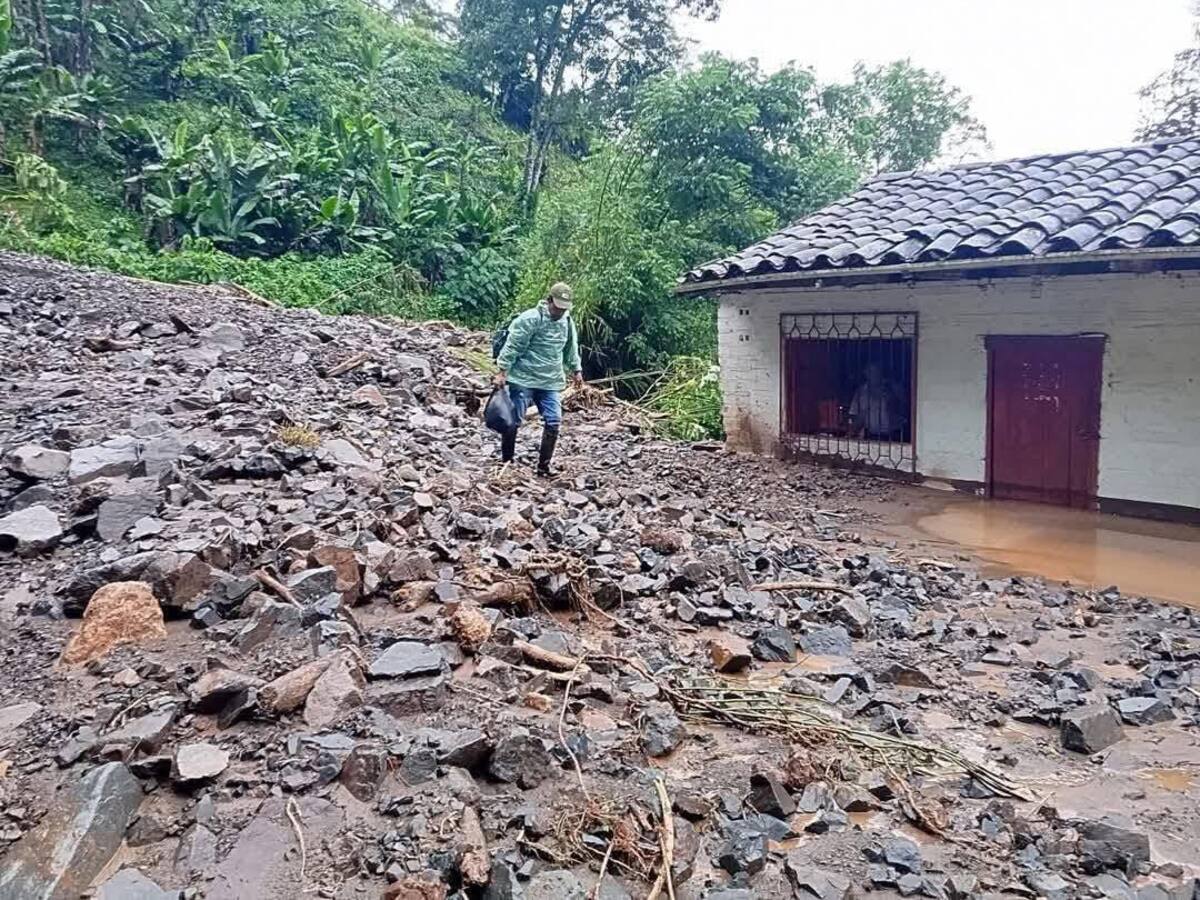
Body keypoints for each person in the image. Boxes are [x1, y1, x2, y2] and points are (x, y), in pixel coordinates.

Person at [494, 282, 583, 475]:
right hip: (523, 378)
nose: (560, 312)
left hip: (550, 381)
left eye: (564, 309)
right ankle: (507, 462)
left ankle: (544, 467)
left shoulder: (567, 322)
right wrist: (502, 371)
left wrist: (576, 370)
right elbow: (513, 346)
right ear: (549, 301)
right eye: (557, 307)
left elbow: (571, 348)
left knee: (554, 421)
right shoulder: (530, 319)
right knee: (513, 421)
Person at [848, 361, 907, 440]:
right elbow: (855, 418)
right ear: (865, 372)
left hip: (895, 435)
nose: (873, 375)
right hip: (871, 436)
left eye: (876, 371)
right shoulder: (860, 392)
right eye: (870, 371)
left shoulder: (892, 388)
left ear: (881, 372)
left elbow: (904, 409)